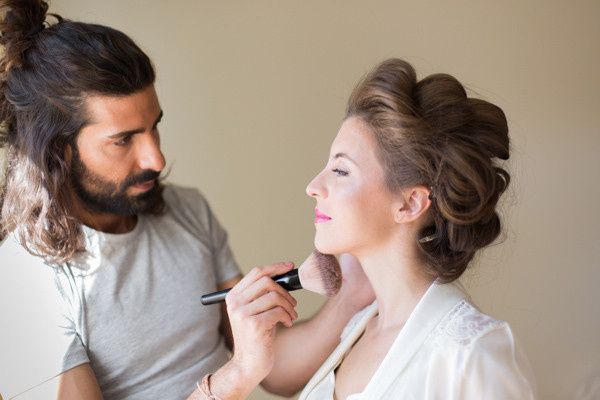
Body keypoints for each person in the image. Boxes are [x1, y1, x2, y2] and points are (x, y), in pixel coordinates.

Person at [0, 1, 373, 399]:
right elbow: (250, 369)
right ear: (59, 150)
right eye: (123, 139)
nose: (155, 159)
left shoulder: (186, 210)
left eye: (153, 127)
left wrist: (351, 297)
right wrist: (237, 374)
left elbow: (275, 369)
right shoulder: (20, 287)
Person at [202, 59, 537, 399]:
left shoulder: (470, 353)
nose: (313, 186)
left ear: (409, 204)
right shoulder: (356, 330)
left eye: (341, 170)